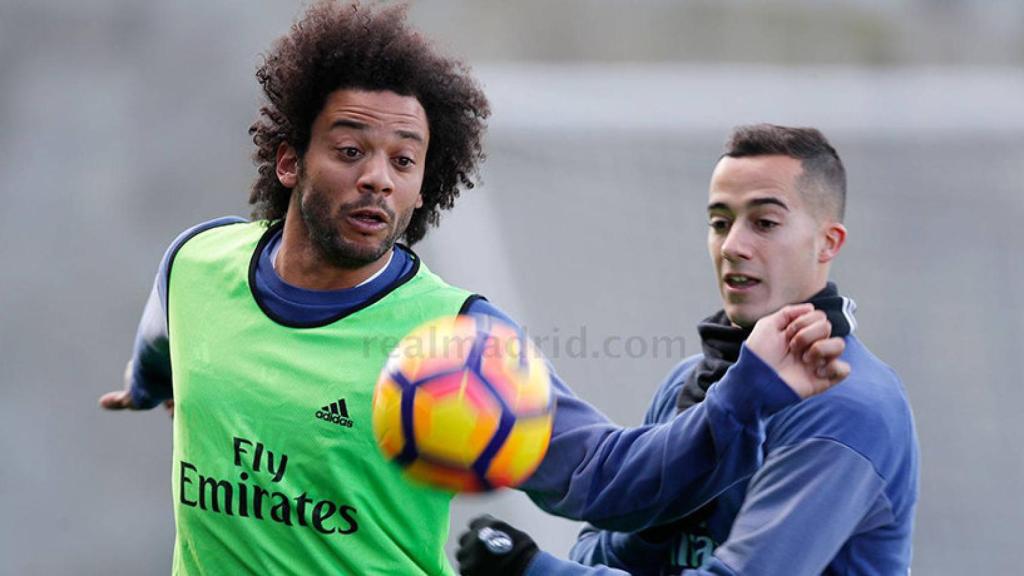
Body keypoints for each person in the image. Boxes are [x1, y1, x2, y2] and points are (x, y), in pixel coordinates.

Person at [98, 3, 851, 573]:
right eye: (352, 148)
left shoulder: (459, 340)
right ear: (290, 161)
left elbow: (610, 477)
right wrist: (144, 383)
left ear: (425, 186)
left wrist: (749, 394)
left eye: (404, 161)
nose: (376, 177)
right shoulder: (196, 262)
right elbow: (165, 332)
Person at [457, 125, 919, 575]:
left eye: (764, 223)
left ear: (827, 243)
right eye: (720, 222)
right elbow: (596, 551)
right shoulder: (688, 381)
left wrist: (533, 570)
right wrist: (660, 520)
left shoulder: (847, 408)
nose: (734, 246)